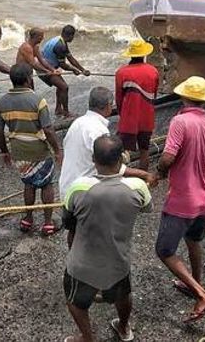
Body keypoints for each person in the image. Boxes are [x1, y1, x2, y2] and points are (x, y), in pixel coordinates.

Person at [62, 134, 151, 342]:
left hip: (83, 264)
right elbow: (146, 207)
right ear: (122, 159)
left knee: (75, 301)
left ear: (93, 159)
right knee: (123, 294)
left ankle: (87, 338)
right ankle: (124, 328)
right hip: (118, 260)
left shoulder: (78, 187)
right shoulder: (137, 188)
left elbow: (68, 221)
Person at [154, 76, 205, 323]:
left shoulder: (180, 121)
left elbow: (168, 157)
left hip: (182, 199)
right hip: (204, 197)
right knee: (193, 241)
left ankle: (202, 294)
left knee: (164, 250)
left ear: (183, 96)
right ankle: (195, 282)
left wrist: (160, 172)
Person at [0, 63, 63, 235]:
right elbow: (48, 129)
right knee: (47, 184)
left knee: (28, 184)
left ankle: (28, 219)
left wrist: (4, 151)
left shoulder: (1, 102)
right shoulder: (38, 101)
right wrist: (57, 150)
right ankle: (48, 222)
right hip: (38, 149)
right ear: (28, 79)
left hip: (18, 151)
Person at [60, 87, 152, 197]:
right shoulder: (98, 130)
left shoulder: (77, 123)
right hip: (83, 192)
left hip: (66, 187)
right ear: (108, 106)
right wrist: (144, 175)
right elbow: (112, 167)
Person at [115, 39, 159, 171]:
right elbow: (154, 95)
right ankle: (143, 178)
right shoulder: (153, 71)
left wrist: (122, 115)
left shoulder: (121, 73)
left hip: (128, 119)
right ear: (144, 54)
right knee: (144, 151)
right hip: (147, 118)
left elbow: (118, 98)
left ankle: (119, 177)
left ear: (130, 54)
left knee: (120, 151)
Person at [38, 25, 91, 118]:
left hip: (50, 67)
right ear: (70, 36)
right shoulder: (60, 46)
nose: (73, 38)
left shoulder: (61, 40)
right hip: (44, 69)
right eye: (73, 36)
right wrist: (74, 70)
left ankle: (58, 109)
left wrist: (83, 70)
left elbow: (70, 58)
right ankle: (66, 112)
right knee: (64, 87)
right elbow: (63, 65)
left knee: (60, 86)